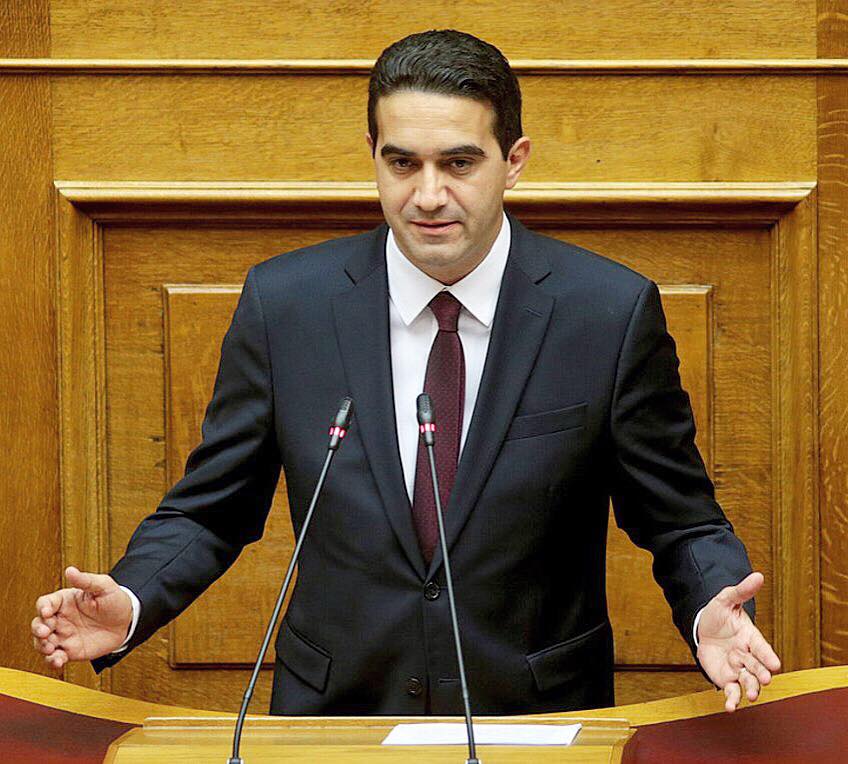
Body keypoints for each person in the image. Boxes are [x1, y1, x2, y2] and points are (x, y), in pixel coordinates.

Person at [31, 29, 780, 716]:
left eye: (459, 163)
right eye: (402, 163)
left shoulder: (606, 313)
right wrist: (132, 599)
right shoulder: (287, 305)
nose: (427, 196)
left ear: (514, 160)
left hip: (534, 714)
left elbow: (679, 518)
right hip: (336, 715)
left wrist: (709, 606)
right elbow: (212, 508)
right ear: (373, 155)